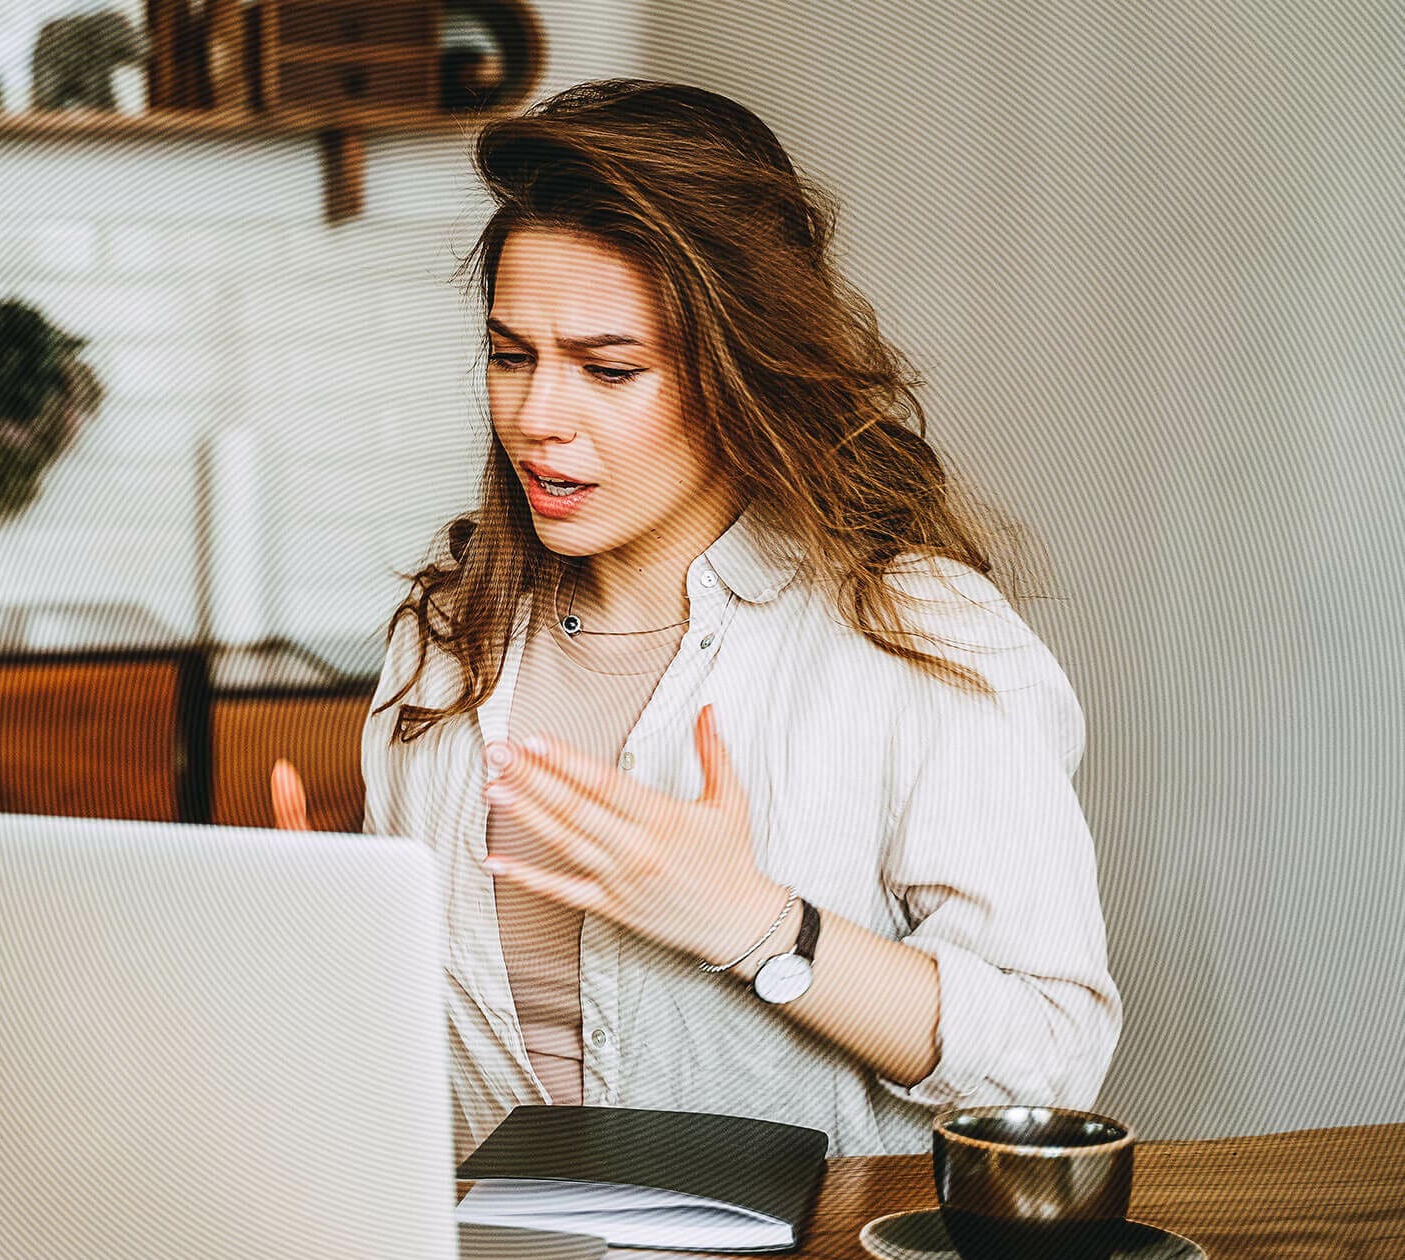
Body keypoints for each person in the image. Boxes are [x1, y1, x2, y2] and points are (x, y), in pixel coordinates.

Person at [268, 79, 1120, 1160]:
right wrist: (330, 931)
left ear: (737, 368)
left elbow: (1053, 1049)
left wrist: (756, 924)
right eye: (511, 354)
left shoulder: (915, 633)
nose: (537, 418)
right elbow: (431, 1048)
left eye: (608, 368)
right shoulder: (446, 638)